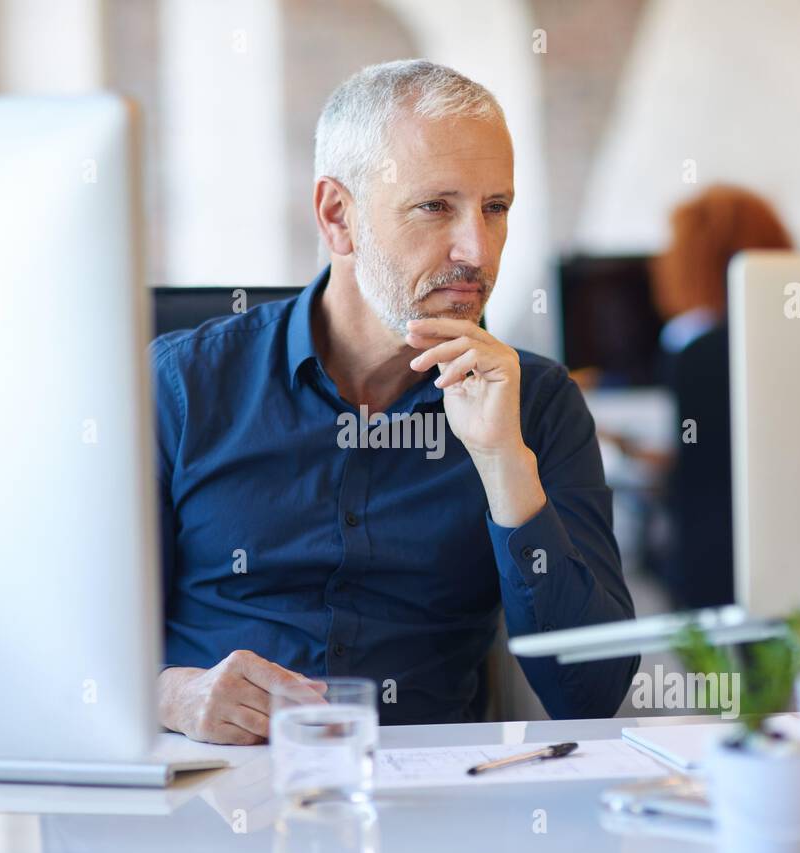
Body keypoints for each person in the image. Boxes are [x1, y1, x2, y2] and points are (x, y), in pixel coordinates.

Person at [151, 60, 638, 744]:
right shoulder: (182, 385)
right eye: (435, 206)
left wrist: (504, 462)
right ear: (337, 215)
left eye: (495, 208)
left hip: (434, 802)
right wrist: (175, 695)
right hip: (214, 792)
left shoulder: (539, 404)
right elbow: (70, 651)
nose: (477, 249)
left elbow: (592, 692)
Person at [650, 184, 793, 608]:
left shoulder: (693, 347)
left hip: (712, 560)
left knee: (717, 677)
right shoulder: (796, 338)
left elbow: (690, 461)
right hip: (790, 550)